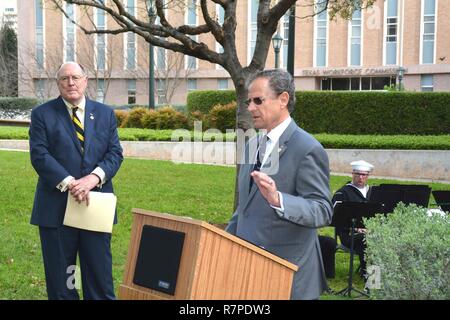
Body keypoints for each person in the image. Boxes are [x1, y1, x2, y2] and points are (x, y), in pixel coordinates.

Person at [225, 69, 333, 300]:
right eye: (249, 101)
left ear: (283, 99)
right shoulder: (251, 144)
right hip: (247, 276)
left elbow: (322, 210)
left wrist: (279, 200)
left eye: (258, 101)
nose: (250, 107)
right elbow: (243, 210)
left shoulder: (307, 148)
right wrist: (221, 246)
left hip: (288, 279)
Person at [29, 62, 123, 299]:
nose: (71, 82)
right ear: (57, 83)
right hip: (56, 208)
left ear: (86, 80)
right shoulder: (42, 114)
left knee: (99, 277)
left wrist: (93, 178)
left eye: (75, 77)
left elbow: (115, 153)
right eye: (64, 78)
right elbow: (40, 155)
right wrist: (72, 183)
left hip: (95, 205)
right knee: (63, 283)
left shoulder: (105, 113)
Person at [332, 160, 374, 279]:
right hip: (349, 234)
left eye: (364, 175)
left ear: (367, 176)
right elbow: (336, 217)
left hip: (371, 231)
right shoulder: (343, 193)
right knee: (367, 241)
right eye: (358, 174)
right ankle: (371, 279)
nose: (361, 177)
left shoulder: (373, 192)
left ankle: (387, 277)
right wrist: (356, 227)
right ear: (352, 174)